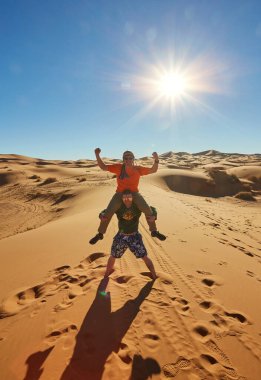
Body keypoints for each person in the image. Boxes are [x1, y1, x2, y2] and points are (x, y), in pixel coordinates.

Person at [89, 148, 166, 244]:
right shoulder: (118, 168)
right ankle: (100, 234)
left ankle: (154, 231)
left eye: (130, 158)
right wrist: (97, 154)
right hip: (120, 193)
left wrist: (156, 159)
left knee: (147, 210)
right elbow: (103, 167)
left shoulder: (138, 169)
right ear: (123, 159)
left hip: (134, 193)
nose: (128, 160)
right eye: (126, 158)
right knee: (108, 213)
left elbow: (153, 170)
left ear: (133, 159)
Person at [102, 190, 159, 280]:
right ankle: (106, 275)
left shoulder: (137, 206)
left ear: (132, 198)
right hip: (121, 236)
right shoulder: (119, 207)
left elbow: (151, 209)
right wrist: (102, 215)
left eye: (129, 197)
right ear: (122, 198)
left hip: (134, 236)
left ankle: (154, 276)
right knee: (113, 255)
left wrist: (154, 215)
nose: (127, 199)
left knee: (144, 256)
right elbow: (106, 211)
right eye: (124, 197)